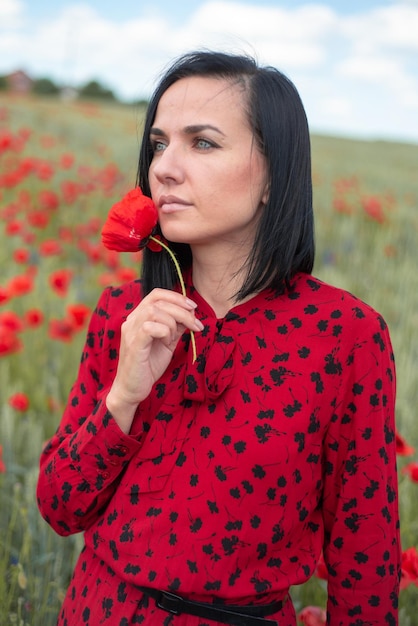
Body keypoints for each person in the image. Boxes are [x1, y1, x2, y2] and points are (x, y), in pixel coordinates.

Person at [36, 50, 400, 625]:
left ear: (272, 176)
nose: (164, 168)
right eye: (159, 144)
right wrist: (123, 398)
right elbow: (59, 507)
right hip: (97, 610)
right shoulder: (125, 315)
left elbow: (366, 560)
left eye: (201, 143)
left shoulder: (343, 337)